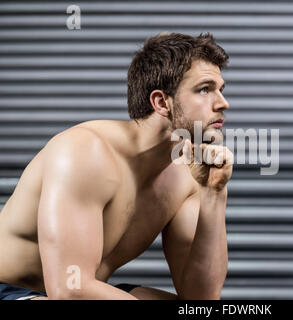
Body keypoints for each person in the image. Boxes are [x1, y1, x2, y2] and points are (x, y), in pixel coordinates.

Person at [0, 32, 233, 300]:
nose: (223, 103)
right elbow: (68, 290)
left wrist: (214, 193)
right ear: (160, 102)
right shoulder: (85, 151)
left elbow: (201, 298)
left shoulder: (188, 176)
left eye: (220, 90)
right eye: (205, 89)